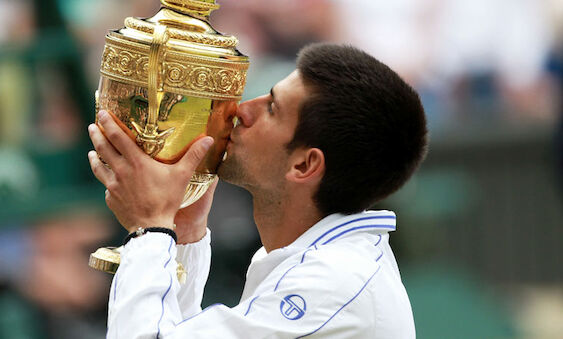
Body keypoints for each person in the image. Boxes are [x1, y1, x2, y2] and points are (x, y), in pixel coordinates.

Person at [87, 43, 428, 338]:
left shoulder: (335, 281)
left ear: (304, 166)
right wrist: (184, 235)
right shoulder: (315, 260)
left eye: (271, 108)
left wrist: (149, 227)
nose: (241, 110)